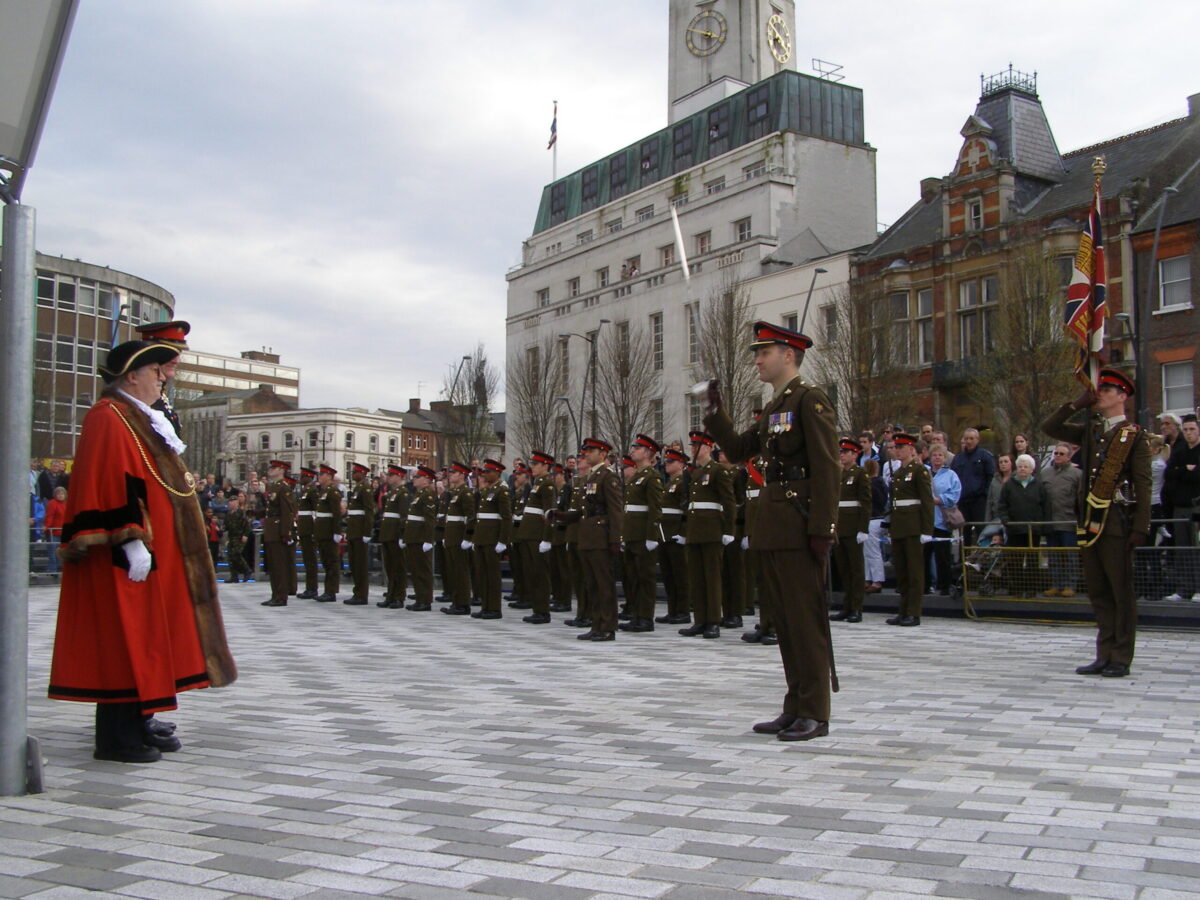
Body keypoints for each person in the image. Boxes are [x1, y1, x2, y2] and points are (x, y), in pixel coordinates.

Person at [48, 340, 236, 763]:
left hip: (151, 551)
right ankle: (117, 738)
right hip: (125, 552)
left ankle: (137, 723)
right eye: (156, 371)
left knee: (147, 638)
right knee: (125, 639)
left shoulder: (133, 417)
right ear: (132, 375)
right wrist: (130, 539)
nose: (164, 379)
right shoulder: (109, 417)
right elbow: (111, 480)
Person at [704, 320, 839, 742]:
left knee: (805, 621)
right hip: (774, 526)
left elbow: (827, 467)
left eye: (764, 352)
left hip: (799, 526)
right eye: (756, 353)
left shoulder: (809, 401)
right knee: (784, 619)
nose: (757, 360)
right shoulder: (776, 406)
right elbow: (742, 451)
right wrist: (715, 414)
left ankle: (815, 712)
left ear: (789, 355)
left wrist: (823, 529)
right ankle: (795, 705)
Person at [1041, 368, 1151, 677]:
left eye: (1107, 390)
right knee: (1098, 591)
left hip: (1117, 522)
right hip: (1090, 522)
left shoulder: (1133, 436)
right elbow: (1049, 426)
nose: (1099, 393)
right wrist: (1076, 404)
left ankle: (1120, 656)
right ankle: (1103, 652)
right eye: (1099, 389)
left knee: (1120, 592)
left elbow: (1143, 484)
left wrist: (1141, 527)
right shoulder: (1091, 430)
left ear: (1122, 396)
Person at [553, 437, 623, 641]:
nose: (586, 455)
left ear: (602, 454)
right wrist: (561, 516)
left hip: (600, 537)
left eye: (591, 452)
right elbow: (584, 510)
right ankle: (596, 623)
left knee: (604, 584)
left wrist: (615, 539)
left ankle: (608, 626)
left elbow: (616, 510)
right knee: (592, 584)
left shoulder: (607, 477)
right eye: (586, 452)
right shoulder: (590, 477)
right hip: (588, 537)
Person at [679, 431, 734, 639]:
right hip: (695, 530)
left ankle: (713, 621)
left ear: (709, 448)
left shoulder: (718, 470)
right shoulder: (694, 472)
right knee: (697, 578)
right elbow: (690, 506)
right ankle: (700, 620)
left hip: (712, 530)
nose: (693, 449)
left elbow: (728, 502)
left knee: (712, 578)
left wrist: (728, 531)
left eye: (698, 446)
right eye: (692, 446)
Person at [887, 433, 933, 625]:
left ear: (911, 449)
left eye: (901, 447)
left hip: (914, 526)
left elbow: (926, 501)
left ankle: (914, 612)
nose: (897, 451)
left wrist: (926, 530)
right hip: (899, 526)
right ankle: (903, 610)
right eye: (896, 447)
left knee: (914, 572)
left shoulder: (919, 471)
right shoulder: (898, 473)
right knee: (902, 571)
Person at [620, 435, 664, 633]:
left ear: (647, 453)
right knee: (634, 577)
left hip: (643, 535)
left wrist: (651, 536)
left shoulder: (652, 477)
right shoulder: (637, 476)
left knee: (645, 578)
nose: (633, 451)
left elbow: (655, 508)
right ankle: (637, 615)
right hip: (632, 534)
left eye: (637, 448)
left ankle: (646, 617)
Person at [513, 451, 557, 624]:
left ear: (546, 466)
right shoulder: (538, 483)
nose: (532, 467)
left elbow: (549, 513)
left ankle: (543, 611)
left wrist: (546, 539)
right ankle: (537, 608)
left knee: (540, 574)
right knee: (532, 573)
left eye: (536, 464)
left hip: (538, 536)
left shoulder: (547, 485)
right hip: (529, 534)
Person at [830, 437, 870, 622]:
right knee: (844, 569)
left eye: (846, 452)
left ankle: (856, 607)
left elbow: (865, 502)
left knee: (856, 569)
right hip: (840, 528)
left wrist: (863, 528)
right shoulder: (838, 474)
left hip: (854, 527)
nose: (842, 455)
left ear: (855, 454)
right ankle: (847, 606)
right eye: (841, 452)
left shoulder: (860, 473)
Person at [998, 454, 1048, 597]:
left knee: (1033, 561)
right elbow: (1002, 505)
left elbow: (1045, 506)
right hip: (1015, 529)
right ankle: (1017, 588)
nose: (1022, 469)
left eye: (1026, 467)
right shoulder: (1009, 485)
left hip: (1033, 529)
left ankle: (1032, 589)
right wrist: (1005, 520)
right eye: (1020, 466)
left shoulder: (1038, 485)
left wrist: (1043, 525)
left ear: (1032, 469)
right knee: (1015, 561)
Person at [1162, 414, 1200, 602]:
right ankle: (1185, 588)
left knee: (1196, 547)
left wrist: (1182, 472)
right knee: (1182, 549)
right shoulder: (1180, 451)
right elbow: (1169, 474)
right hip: (1179, 506)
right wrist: (1186, 470)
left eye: (1192, 429)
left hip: (1197, 506)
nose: (1188, 433)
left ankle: (1198, 589)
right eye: (1185, 430)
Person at [469, 458, 512, 619]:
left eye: (488, 471)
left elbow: (506, 517)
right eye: (484, 471)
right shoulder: (487, 490)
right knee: (482, 574)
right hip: (482, 538)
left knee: (492, 576)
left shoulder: (502, 490)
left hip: (492, 539)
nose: (485, 474)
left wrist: (503, 540)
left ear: (497, 473)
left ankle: (494, 608)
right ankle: (485, 606)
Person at [1039, 445, 1082, 597]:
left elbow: (1081, 499)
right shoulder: (1045, 473)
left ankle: (1070, 585)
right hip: (1050, 522)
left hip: (1069, 521)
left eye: (1061, 453)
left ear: (1069, 456)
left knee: (1070, 556)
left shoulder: (1077, 474)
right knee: (1053, 556)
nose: (1057, 456)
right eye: (1055, 453)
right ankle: (1056, 584)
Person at [656, 447, 691, 626]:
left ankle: (683, 611)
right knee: (668, 575)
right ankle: (673, 610)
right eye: (666, 462)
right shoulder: (669, 483)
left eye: (671, 462)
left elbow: (686, 509)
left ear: (681, 464)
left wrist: (683, 533)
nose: (666, 465)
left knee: (680, 575)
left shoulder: (683, 482)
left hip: (676, 533)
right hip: (665, 533)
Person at [440, 461, 476, 615]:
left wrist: (468, 538)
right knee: (454, 571)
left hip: (459, 537)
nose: (451, 475)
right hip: (452, 537)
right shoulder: (455, 493)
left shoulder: (465, 493)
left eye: (454, 473)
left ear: (462, 475)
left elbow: (471, 517)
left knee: (461, 571)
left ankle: (463, 603)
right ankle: (456, 601)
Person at [260, 460, 298, 607]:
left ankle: (281, 596)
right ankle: (275, 594)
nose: (271, 470)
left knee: (280, 565)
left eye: (274, 468)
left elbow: (287, 512)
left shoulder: (283, 487)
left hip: (278, 530)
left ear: (282, 470)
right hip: (271, 529)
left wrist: (286, 532)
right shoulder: (274, 486)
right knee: (274, 566)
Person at [926, 442, 961, 596]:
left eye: (940, 455)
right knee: (924, 555)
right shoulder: (924, 472)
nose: (937, 458)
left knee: (943, 556)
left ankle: (944, 585)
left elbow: (955, 494)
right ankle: (926, 584)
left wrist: (940, 499)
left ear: (945, 457)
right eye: (934, 455)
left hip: (942, 520)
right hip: (926, 521)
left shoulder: (951, 475)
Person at [950, 428, 995, 542]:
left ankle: (982, 556)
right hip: (963, 501)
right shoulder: (958, 458)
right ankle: (964, 556)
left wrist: (985, 494)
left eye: (971, 438)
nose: (969, 441)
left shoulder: (985, 456)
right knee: (964, 533)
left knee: (981, 530)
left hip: (979, 501)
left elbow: (990, 476)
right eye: (966, 438)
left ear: (977, 440)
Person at [403, 465, 439, 610]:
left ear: (426, 480)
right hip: (414, 537)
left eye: (417, 477)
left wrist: (428, 540)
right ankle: (419, 598)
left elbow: (430, 520)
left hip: (420, 538)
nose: (414, 480)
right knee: (416, 570)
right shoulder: (418, 494)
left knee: (423, 570)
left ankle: (425, 600)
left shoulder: (428, 495)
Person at [376, 465, 410, 609]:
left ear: (399, 477)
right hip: (388, 533)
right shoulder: (391, 493)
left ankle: (398, 596)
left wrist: (402, 535)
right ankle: (391, 594)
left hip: (395, 533)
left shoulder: (403, 493)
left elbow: (403, 516)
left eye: (391, 475)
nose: (389, 477)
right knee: (390, 567)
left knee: (398, 567)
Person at [343, 462, 375, 605]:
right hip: (353, 531)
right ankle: (357, 592)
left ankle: (361, 594)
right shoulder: (357, 488)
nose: (353, 474)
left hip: (360, 532)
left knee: (360, 565)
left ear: (362, 474)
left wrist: (367, 532)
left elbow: (368, 511)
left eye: (355, 472)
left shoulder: (365, 489)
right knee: (354, 563)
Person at [312, 465, 343, 602]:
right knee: (326, 561)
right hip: (322, 532)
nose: (320, 477)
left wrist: (337, 532)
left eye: (322, 474)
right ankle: (328, 590)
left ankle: (331, 591)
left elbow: (336, 514)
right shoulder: (324, 491)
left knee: (331, 562)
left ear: (329, 476)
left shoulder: (332, 492)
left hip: (329, 533)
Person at [295, 468, 321, 599]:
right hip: (304, 529)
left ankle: (312, 588)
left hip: (309, 529)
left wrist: (314, 530)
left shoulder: (312, 490)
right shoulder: (306, 490)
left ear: (309, 477)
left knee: (310, 561)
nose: (301, 478)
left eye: (303, 476)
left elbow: (316, 512)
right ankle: (309, 587)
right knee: (307, 560)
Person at [863, 459, 887, 594]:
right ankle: (868, 578)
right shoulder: (881, 483)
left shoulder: (872, 485)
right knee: (867, 552)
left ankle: (876, 580)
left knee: (872, 552)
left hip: (873, 518)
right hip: (878, 518)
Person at [222, 495, 254, 583]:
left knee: (236, 554)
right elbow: (226, 526)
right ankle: (234, 576)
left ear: (237, 503)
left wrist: (245, 535)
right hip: (231, 537)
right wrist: (222, 529)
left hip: (239, 537)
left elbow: (247, 525)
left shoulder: (241, 513)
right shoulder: (228, 514)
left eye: (234, 502)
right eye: (231, 502)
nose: (232, 503)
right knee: (230, 556)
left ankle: (247, 570)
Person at [43, 485, 68, 575]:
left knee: (60, 551)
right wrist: (46, 526)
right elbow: (49, 516)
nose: (61, 495)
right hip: (53, 531)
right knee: (52, 551)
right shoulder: (52, 503)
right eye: (59, 494)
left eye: (62, 494)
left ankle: (59, 568)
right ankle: (52, 569)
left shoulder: (66, 504)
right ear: (55, 495)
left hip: (63, 531)